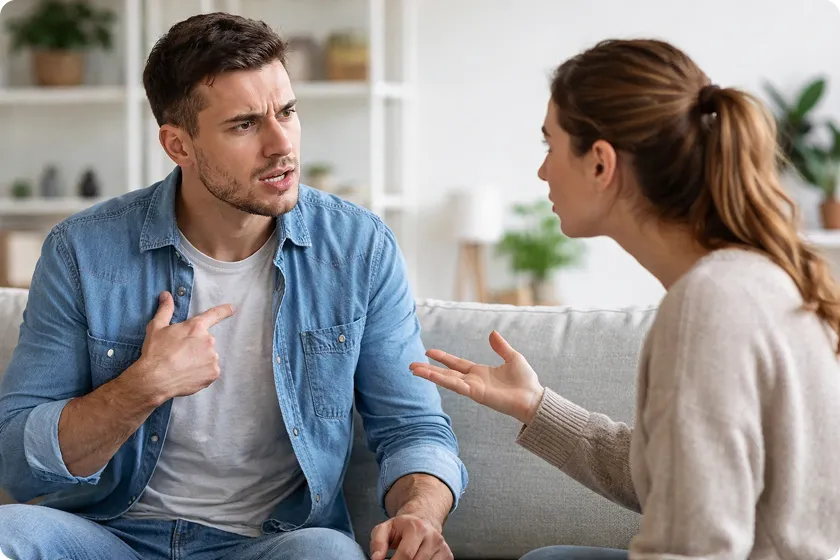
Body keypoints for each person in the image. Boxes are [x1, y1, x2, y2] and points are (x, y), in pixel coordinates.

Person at [0, 12, 466, 560]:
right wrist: (140, 388)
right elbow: (16, 459)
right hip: (110, 536)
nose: (281, 144)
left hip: (272, 542)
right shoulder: (82, 251)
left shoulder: (358, 249)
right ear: (178, 145)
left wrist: (419, 513)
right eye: (245, 124)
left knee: (327, 554)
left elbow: (412, 426)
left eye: (287, 112)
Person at [410, 38, 840, 559]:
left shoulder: (710, 306)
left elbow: (692, 549)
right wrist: (536, 406)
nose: (542, 171)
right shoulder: (746, 279)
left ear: (600, 163)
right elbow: (678, 476)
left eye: (550, 145)